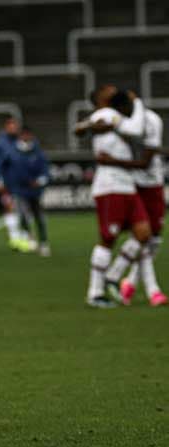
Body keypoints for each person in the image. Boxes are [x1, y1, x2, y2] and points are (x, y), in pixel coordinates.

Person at [75, 86, 152, 308]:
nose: (114, 89)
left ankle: (112, 276)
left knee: (143, 233)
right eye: (108, 88)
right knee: (108, 238)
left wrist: (85, 126)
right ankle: (95, 292)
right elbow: (136, 130)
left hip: (126, 184)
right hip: (110, 185)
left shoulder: (111, 117)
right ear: (99, 98)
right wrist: (136, 102)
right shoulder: (105, 114)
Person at [120, 105, 167, 306]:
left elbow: (148, 157)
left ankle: (129, 282)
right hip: (133, 184)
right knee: (141, 237)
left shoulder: (152, 120)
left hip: (154, 184)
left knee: (154, 240)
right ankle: (153, 290)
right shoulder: (119, 122)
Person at [0, 116, 33, 252]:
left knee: (24, 210)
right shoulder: (1, 143)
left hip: (20, 183)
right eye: (11, 125)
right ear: (6, 126)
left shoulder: (19, 141)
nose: (13, 128)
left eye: (15, 125)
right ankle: (15, 239)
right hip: (8, 183)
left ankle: (23, 237)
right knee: (10, 209)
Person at [8, 127, 51, 256]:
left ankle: (44, 242)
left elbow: (45, 170)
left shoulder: (37, 151)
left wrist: (40, 180)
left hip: (35, 191)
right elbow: (13, 170)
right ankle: (29, 240)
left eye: (28, 135)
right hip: (20, 190)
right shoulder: (14, 151)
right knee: (22, 216)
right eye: (23, 135)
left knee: (39, 217)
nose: (26, 137)